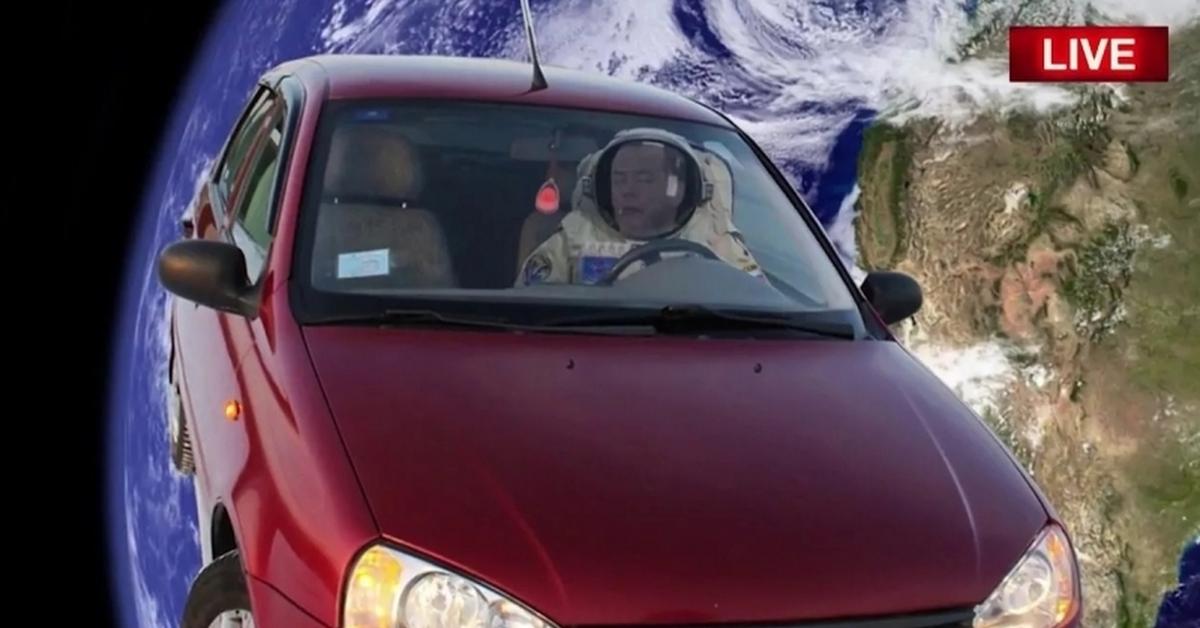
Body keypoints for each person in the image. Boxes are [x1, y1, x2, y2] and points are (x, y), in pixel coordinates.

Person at [517, 127, 763, 286]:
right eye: (619, 180)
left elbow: (758, 305)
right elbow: (528, 311)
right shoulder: (574, 238)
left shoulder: (716, 241)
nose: (628, 190)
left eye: (644, 180)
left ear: (676, 190)